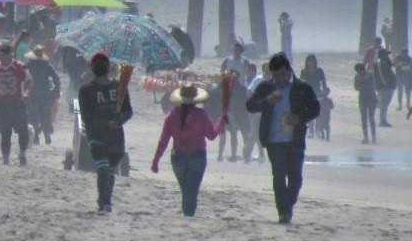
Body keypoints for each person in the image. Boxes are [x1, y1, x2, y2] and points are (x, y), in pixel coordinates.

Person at [246, 53, 320, 224]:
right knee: (278, 176)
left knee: (296, 178)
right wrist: (267, 101)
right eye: (274, 75)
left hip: (295, 139)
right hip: (273, 140)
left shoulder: (301, 87)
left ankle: (288, 205)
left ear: (288, 70)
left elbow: (315, 109)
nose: (278, 78)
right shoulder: (266, 87)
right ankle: (283, 213)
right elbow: (250, 106)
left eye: (281, 74)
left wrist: (299, 118)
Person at [151, 83, 228, 217]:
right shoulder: (201, 115)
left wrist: (156, 161)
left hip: (178, 157)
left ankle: (186, 214)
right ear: (195, 98)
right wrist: (221, 122)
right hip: (197, 155)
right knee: (191, 190)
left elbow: (163, 140)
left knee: (186, 190)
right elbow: (212, 135)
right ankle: (188, 215)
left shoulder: (171, 115)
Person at [79, 53, 133, 213]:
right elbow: (86, 117)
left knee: (110, 173)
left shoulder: (119, 88)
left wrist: (119, 120)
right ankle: (105, 203)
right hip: (97, 137)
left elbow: (128, 111)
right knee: (102, 169)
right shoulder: (86, 90)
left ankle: (104, 199)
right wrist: (105, 124)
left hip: (116, 138)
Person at [0, 42, 32, 166]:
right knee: (5, 132)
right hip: (1, 105)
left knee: (22, 131)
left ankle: (22, 153)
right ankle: (5, 158)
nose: (2, 58)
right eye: (0, 55)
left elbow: (29, 81)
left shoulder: (19, 67)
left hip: (17, 103)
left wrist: (26, 93)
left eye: (4, 55)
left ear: (10, 55)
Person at [25, 45, 61, 146]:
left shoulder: (29, 64)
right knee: (45, 115)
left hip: (32, 93)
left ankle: (35, 137)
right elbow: (56, 78)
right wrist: (56, 90)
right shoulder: (47, 65)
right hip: (45, 94)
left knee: (33, 116)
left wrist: (23, 89)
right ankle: (46, 135)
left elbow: (22, 76)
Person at [300, 54, 330, 142]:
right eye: (309, 61)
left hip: (318, 92)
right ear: (307, 62)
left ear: (315, 62)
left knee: (318, 113)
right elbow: (301, 83)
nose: (311, 63)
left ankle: (318, 129)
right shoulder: (304, 71)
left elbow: (324, 82)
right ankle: (311, 131)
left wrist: (325, 92)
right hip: (308, 93)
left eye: (312, 61)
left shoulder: (320, 71)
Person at [354, 62, 379, 144]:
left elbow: (360, 87)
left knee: (370, 118)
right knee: (365, 119)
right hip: (366, 99)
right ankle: (367, 137)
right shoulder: (358, 77)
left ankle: (372, 136)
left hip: (369, 98)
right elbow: (356, 88)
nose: (358, 73)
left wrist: (361, 83)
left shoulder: (369, 76)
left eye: (359, 71)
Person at [375, 49, 397, 127]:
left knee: (384, 104)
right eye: (386, 55)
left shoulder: (385, 64)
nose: (388, 57)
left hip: (388, 86)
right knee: (384, 104)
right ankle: (382, 121)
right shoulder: (381, 64)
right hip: (385, 87)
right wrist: (385, 84)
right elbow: (381, 75)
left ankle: (383, 120)